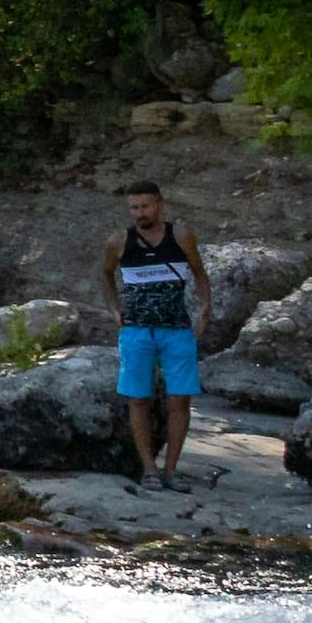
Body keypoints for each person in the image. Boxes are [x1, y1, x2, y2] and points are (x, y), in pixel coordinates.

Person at [101, 183, 214, 490]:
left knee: (180, 399)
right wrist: (114, 309)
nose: (140, 213)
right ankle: (149, 469)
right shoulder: (120, 241)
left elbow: (200, 273)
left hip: (177, 329)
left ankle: (172, 470)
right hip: (136, 330)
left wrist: (204, 310)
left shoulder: (180, 235)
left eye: (145, 207)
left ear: (160, 204)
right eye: (134, 208)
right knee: (138, 398)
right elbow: (106, 274)